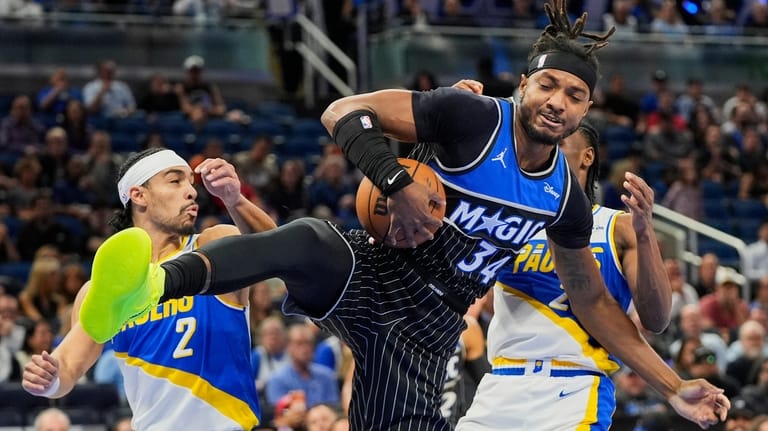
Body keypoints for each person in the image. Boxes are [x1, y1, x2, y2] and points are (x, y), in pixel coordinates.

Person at [78, 1, 729, 429]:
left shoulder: (565, 199)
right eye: (549, 84)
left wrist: (673, 385)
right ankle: (148, 286)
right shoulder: (471, 116)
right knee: (304, 239)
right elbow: (342, 111)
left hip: (429, 332)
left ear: (587, 111)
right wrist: (395, 181)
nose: (559, 100)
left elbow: (594, 304)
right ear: (524, 83)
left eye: (576, 94)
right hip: (379, 272)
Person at [21, 148, 277, 430]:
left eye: (191, 183)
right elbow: (69, 364)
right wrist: (48, 378)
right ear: (139, 195)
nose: (191, 192)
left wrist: (234, 200)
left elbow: (276, 251)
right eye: (175, 181)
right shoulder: (108, 285)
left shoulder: (211, 246)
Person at [455, 121, 673, 430]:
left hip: (574, 388)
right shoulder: (514, 220)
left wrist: (645, 235)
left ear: (587, 157)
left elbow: (657, 319)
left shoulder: (618, 226)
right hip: (501, 383)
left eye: (557, 145)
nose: (545, 152)